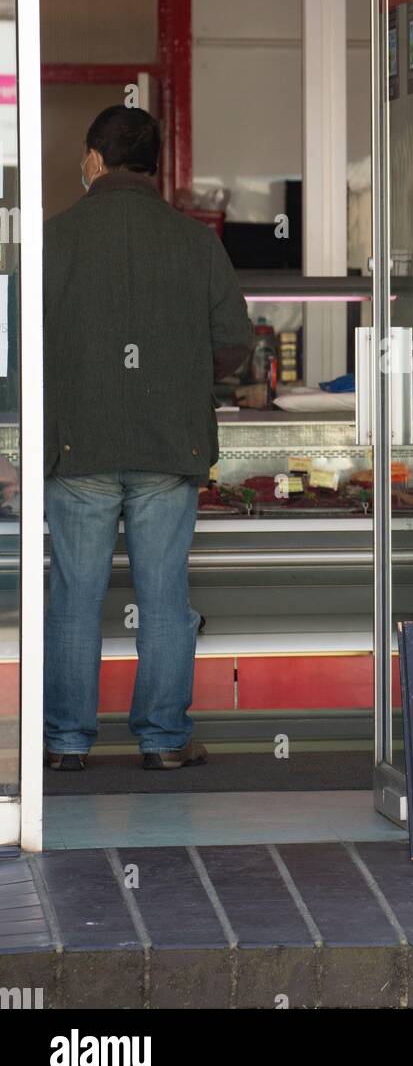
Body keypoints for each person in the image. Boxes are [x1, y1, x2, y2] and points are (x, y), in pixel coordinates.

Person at [42, 106, 253, 771]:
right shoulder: (196, 242)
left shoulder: (54, 239)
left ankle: (66, 742)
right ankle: (163, 740)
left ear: (95, 162)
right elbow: (234, 346)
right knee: (164, 595)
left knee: (75, 595)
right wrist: (190, 383)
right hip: (170, 447)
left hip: (78, 447)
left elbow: (19, 348)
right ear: (153, 165)